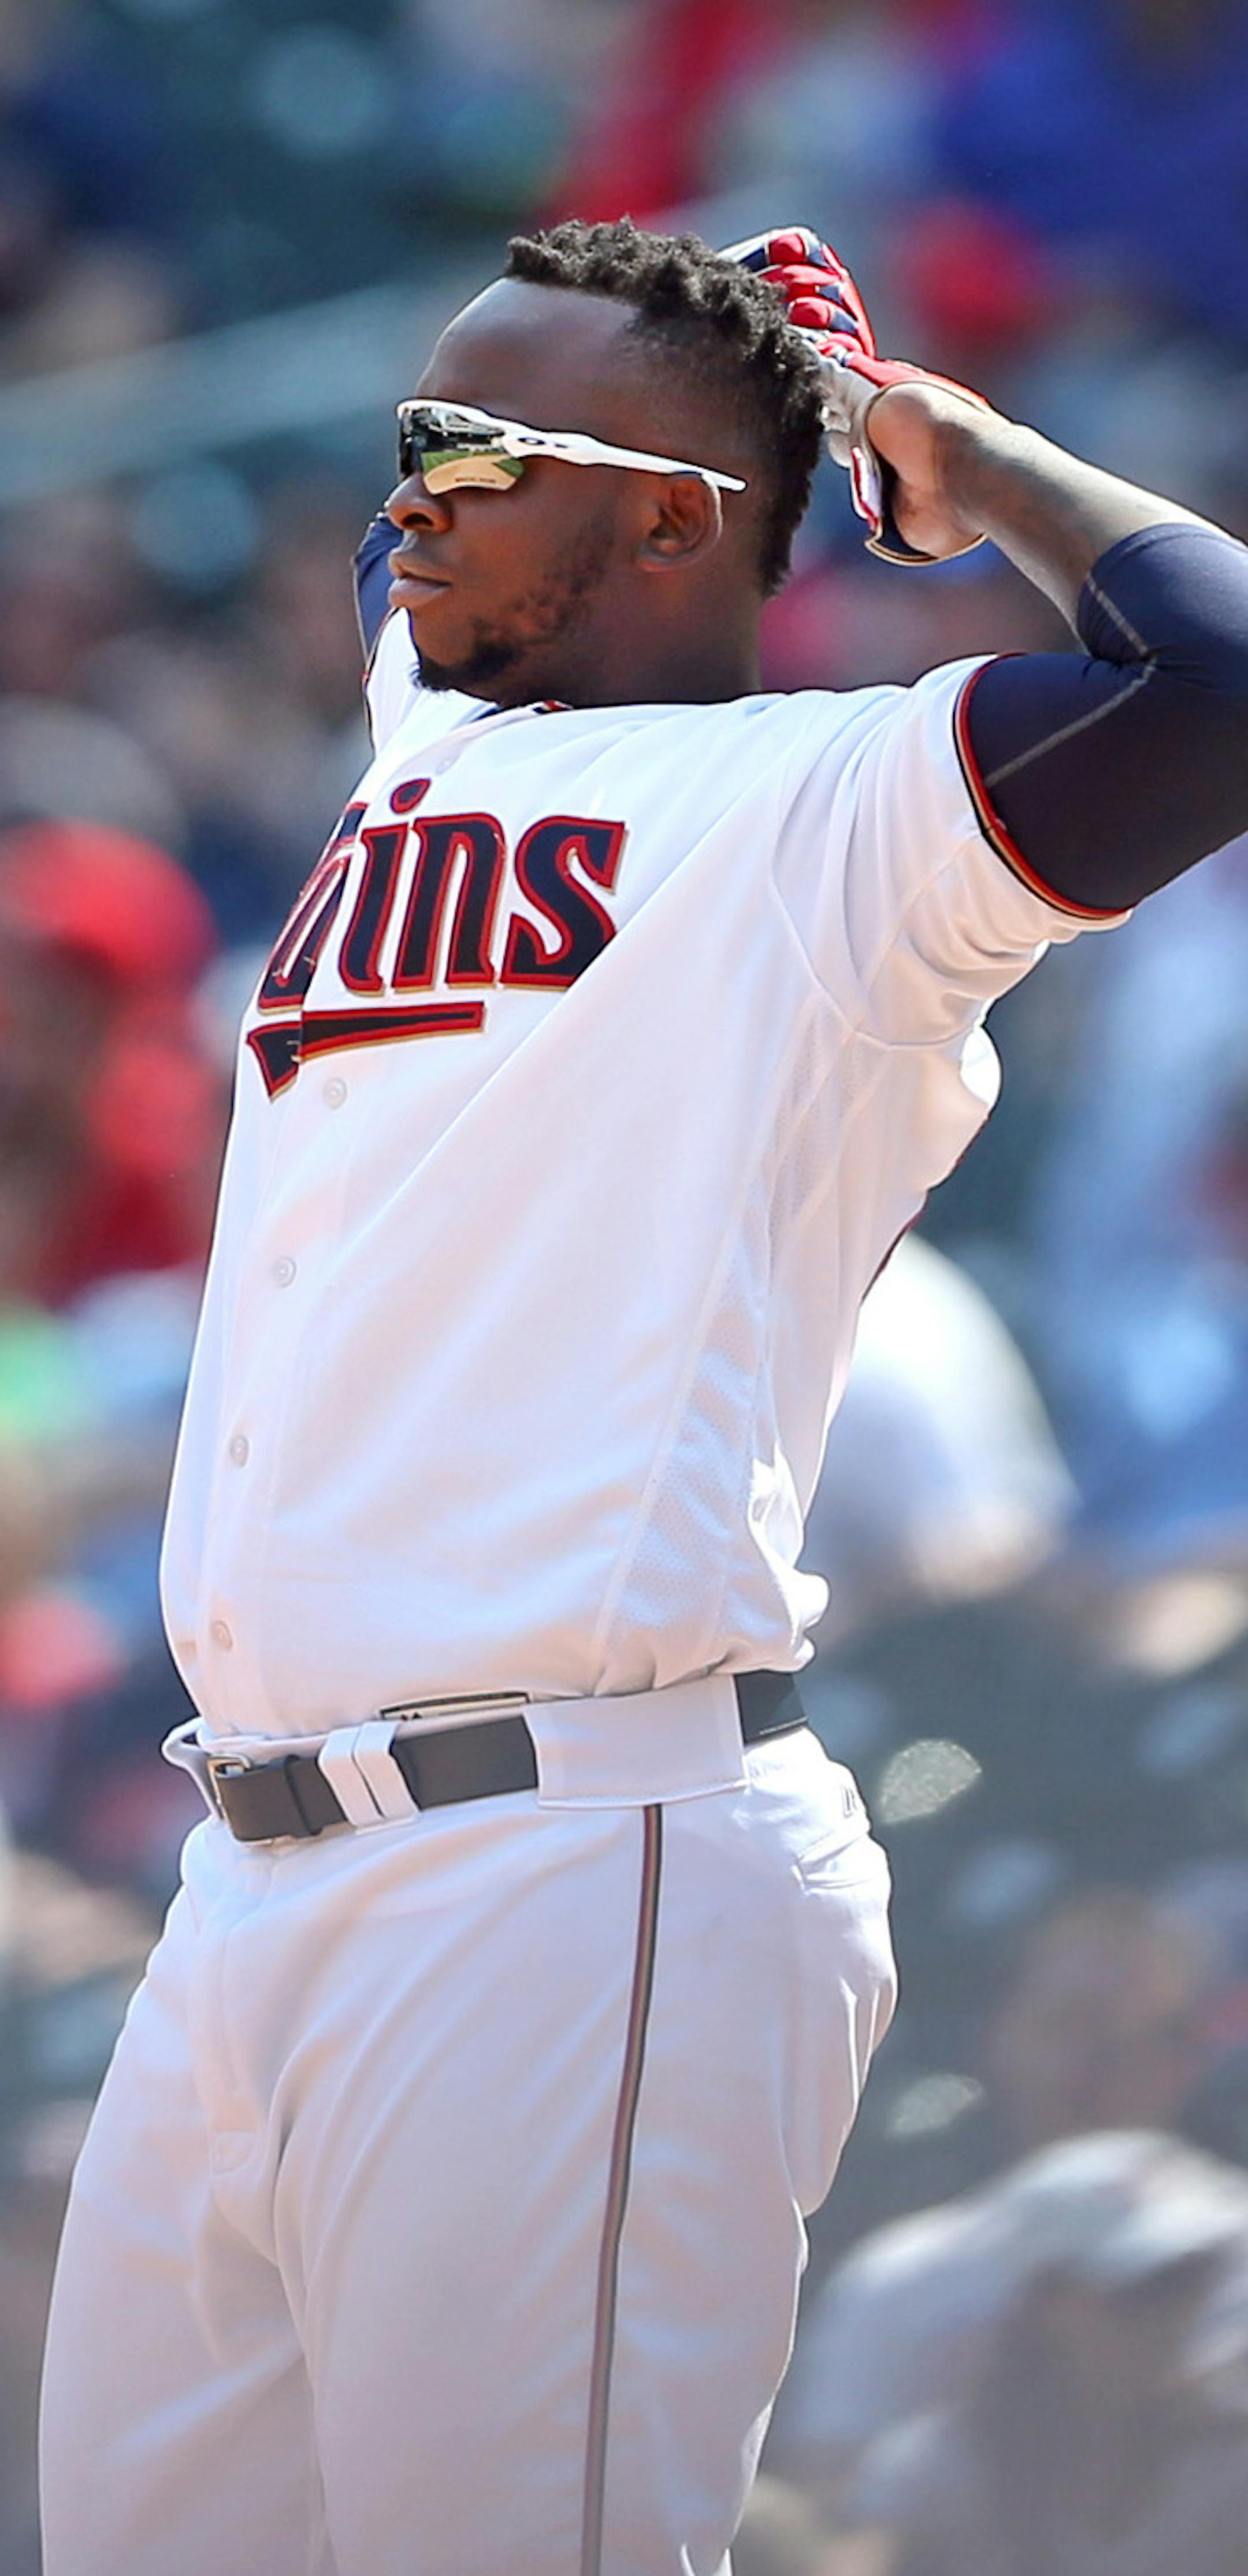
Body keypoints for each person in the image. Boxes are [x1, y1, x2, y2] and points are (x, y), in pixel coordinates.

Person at [36, 217, 1248, 2575]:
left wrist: (966, 452)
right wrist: (728, 352)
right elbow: (579, 438)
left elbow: (1224, 675)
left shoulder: (831, 817)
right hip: (252, 1885)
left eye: (470, 450)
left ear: (672, 525)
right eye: (411, 435)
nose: (404, 493)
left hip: (571, 1850)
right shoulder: (439, 735)